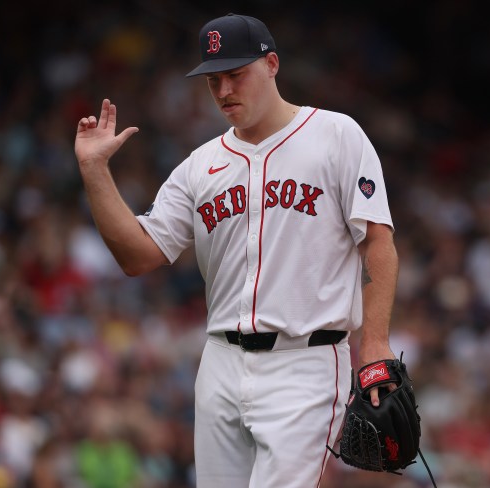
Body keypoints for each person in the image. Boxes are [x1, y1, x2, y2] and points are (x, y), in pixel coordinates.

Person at [74, 12, 398, 488]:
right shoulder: (199, 166)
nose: (224, 90)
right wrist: (95, 172)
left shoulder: (336, 135)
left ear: (271, 64)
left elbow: (378, 242)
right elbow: (138, 255)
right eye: (213, 79)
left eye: (236, 74)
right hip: (221, 362)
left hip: (305, 361)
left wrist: (373, 344)